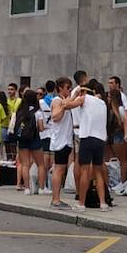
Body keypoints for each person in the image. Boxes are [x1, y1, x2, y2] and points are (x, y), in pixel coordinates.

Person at [66, 79, 112, 211]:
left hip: (87, 137)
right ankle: (103, 202)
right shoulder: (102, 103)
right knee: (98, 171)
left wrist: (74, 96)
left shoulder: (85, 98)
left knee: (85, 170)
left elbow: (67, 105)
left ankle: (81, 203)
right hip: (100, 139)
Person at [47, 78, 75, 208]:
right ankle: (55, 200)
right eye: (67, 87)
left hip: (65, 140)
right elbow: (55, 116)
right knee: (58, 169)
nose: (69, 90)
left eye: (70, 87)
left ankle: (56, 198)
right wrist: (64, 105)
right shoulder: (57, 101)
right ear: (60, 88)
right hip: (60, 141)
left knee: (61, 169)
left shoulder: (63, 101)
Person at [13, 89, 43, 194]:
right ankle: (41, 188)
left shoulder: (20, 110)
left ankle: (26, 188)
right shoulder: (38, 112)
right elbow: (41, 127)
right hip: (34, 138)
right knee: (40, 164)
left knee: (25, 164)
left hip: (22, 139)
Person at [107, 77, 127, 186]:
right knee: (115, 159)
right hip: (113, 135)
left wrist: (125, 133)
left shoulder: (119, 108)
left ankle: (123, 182)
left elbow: (125, 120)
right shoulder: (111, 108)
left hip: (118, 134)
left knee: (122, 160)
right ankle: (117, 181)